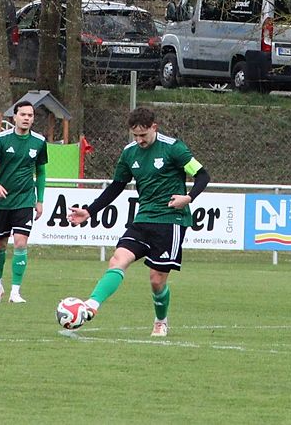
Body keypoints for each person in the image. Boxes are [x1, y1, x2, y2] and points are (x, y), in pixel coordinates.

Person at [66, 107, 210, 337]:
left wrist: (188, 198)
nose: (139, 140)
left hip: (170, 220)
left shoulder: (174, 148)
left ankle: (161, 320)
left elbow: (203, 175)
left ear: (154, 127)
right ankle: (91, 305)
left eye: (143, 135)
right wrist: (89, 211)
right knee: (117, 260)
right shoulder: (129, 153)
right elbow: (116, 186)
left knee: (156, 281)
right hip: (143, 219)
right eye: (135, 135)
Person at [0, 101, 48, 304]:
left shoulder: (39, 142)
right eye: (23, 114)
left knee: (20, 242)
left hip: (25, 200)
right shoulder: (1, 139)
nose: (26, 118)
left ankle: (15, 292)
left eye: (30, 115)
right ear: (14, 117)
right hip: (3, 201)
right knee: (0, 244)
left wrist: (40, 200)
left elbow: (41, 172)